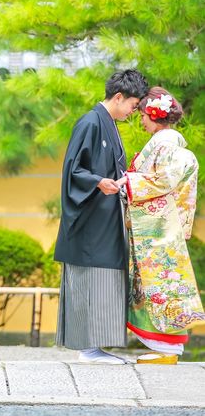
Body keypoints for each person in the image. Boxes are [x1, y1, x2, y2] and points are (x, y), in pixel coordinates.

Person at [55, 69, 149, 364]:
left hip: (105, 217)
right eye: (133, 105)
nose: (133, 112)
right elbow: (73, 170)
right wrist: (98, 182)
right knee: (92, 277)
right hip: (90, 221)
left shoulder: (107, 123)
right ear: (119, 97)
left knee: (105, 278)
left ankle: (95, 346)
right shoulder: (90, 122)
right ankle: (88, 348)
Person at [116, 87, 205, 364]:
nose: (141, 120)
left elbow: (165, 180)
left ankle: (168, 348)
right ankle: (164, 348)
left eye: (143, 115)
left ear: (154, 115)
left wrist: (128, 182)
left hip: (158, 229)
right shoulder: (165, 142)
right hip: (158, 226)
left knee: (161, 285)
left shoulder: (166, 144)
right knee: (156, 286)